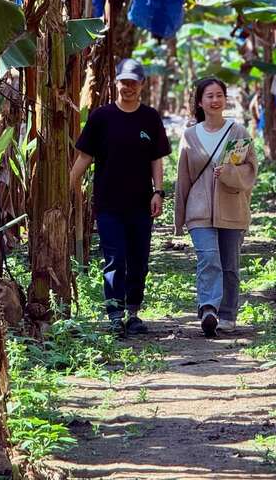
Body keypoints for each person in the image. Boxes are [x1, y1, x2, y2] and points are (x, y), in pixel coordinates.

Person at [70, 58, 171, 336]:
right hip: (108, 203)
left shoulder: (149, 117)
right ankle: (114, 314)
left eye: (133, 83)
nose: (127, 87)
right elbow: (85, 156)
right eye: (123, 82)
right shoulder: (101, 117)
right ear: (116, 82)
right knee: (114, 258)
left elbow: (156, 159)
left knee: (139, 259)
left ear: (142, 85)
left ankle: (133, 313)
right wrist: (68, 185)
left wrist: (158, 192)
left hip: (140, 202)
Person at [174, 77, 257, 337]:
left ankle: (228, 314)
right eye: (209, 96)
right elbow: (182, 178)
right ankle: (208, 308)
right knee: (208, 257)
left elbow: (251, 170)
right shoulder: (189, 136)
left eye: (219, 95)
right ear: (200, 101)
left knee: (230, 264)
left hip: (232, 207)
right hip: (198, 211)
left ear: (225, 99)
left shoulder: (238, 132)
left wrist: (230, 172)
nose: (215, 100)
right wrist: (179, 218)